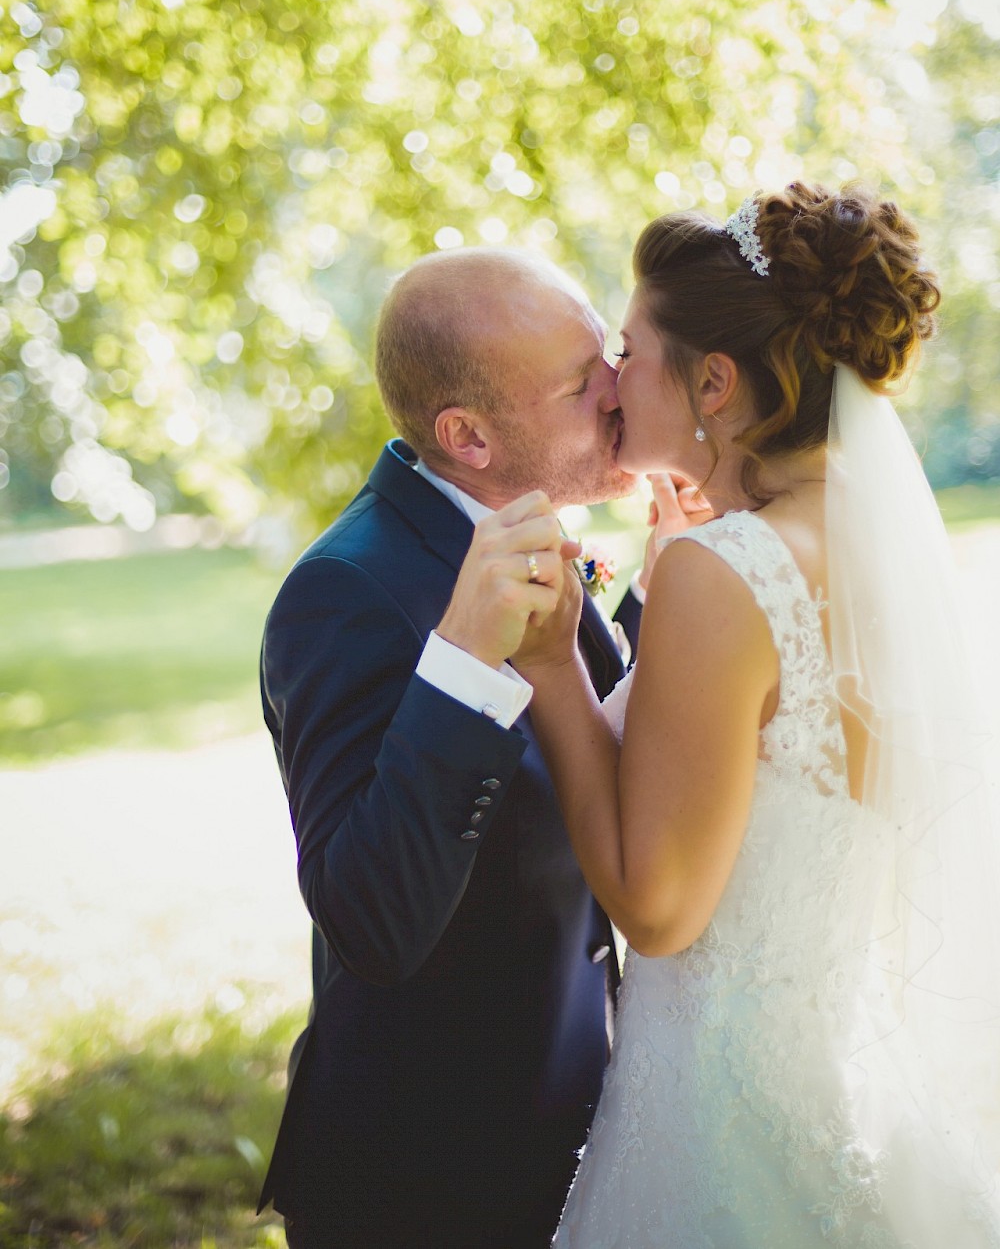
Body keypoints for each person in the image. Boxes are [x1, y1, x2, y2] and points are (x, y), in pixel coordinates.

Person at [454, 184, 1000, 1246]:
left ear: (712, 380)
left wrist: (558, 668)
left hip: (716, 1122)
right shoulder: (873, 549)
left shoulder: (725, 569)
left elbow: (658, 909)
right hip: (843, 1086)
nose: (610, 377)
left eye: (628, 348)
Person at [256, 245, 702, 1248]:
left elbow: (576, 735)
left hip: (578, 1132)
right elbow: (371, 923)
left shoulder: (530, 528)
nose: (617, 390)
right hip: (431, 1181)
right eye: (580, 384)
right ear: (468, 436)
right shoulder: (347, 595)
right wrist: (459, 661)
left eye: (607, 359)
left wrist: (661, 593)